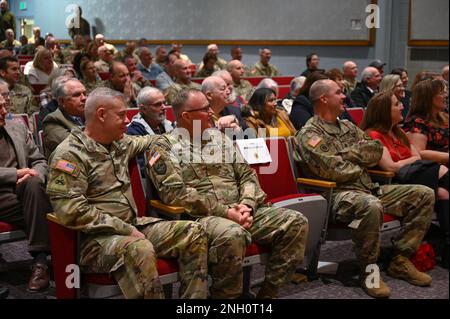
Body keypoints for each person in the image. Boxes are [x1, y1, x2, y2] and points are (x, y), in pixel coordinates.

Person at [46, 87, 208, 299]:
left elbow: (153, 140)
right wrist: (124, 229)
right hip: (94, 241)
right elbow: (72, 210)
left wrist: (178, 139)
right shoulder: (69, 154)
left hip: (131, 226)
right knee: (139, 249)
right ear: (101, 114)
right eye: (121, 115)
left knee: (194, 233)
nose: (128, 120)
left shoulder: (120, 143)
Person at [147, 88, 309, 299]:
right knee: (232, 234)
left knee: (295, 222)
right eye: (205, 109)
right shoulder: (164, 146)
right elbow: (176, 194)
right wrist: (227, 212)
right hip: (203, 217)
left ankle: (269, 292)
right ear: (186, 116)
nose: (212, 113)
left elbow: (247, 175)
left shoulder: (219, 138)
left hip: (242, 209)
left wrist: (247, 204)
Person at [294, 79, 435, 299]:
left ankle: (401, 258)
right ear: (324, 98)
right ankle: (369, 270)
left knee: (423, 194)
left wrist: (348, 156)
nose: (344, 97)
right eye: (339, 93)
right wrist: (359, 157)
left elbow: (376, 149)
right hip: (337, 197)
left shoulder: (348, 126)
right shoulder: (309, 135)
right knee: (370, 205)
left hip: (368, 188)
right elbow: (334, 171)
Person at [361, 91, 449, 267]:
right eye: (397, 104)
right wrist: (411, 160)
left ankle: (446, 246)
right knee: (442, 180)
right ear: (384, 111)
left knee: (444, 192)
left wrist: (408, 160)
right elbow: (390, 167)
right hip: (394, 182)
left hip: (415, 175)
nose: (402, 106)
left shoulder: (398, 132)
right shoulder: (373, 135)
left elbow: (418, 157)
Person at [0, 93, 53, 293]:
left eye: (4, 106)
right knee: (49, 211)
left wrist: (35, 174)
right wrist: (16, 173)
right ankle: (43, 260)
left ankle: (40, 262)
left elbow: (39, 160)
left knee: (33, 184)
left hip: (24, 191)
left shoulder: (16, 128)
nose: (5, 112)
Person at [403, 79, 449, 165]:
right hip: (436, 169)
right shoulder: (417, 122)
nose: (446, 96)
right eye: (441, 93)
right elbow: (419, 153)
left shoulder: (444, 116)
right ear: (428, 98)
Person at [42, 78, 86, 158]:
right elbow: (76, 146)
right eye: (77, 95)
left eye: (85, 93)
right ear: (62, 101)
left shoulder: (89, 115)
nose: (84, 98)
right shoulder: (52, 120)